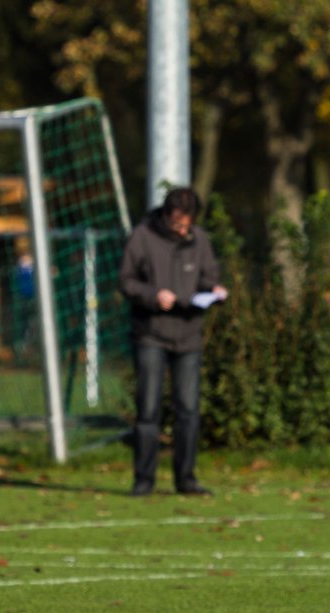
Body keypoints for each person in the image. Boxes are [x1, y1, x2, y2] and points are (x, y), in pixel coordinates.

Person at [119, 187, 226, 497]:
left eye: (186, 226)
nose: (182, 231)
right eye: (177, 224)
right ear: (166, 215)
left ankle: (186, 480)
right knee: (148, 410)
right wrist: (153, 296)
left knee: (188, 411)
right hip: (151, 333)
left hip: (188, 335)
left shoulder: (200, 240)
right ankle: (143, 481)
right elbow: (125, 280)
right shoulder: (141, 237)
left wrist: (214, 289)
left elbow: (207, 276)